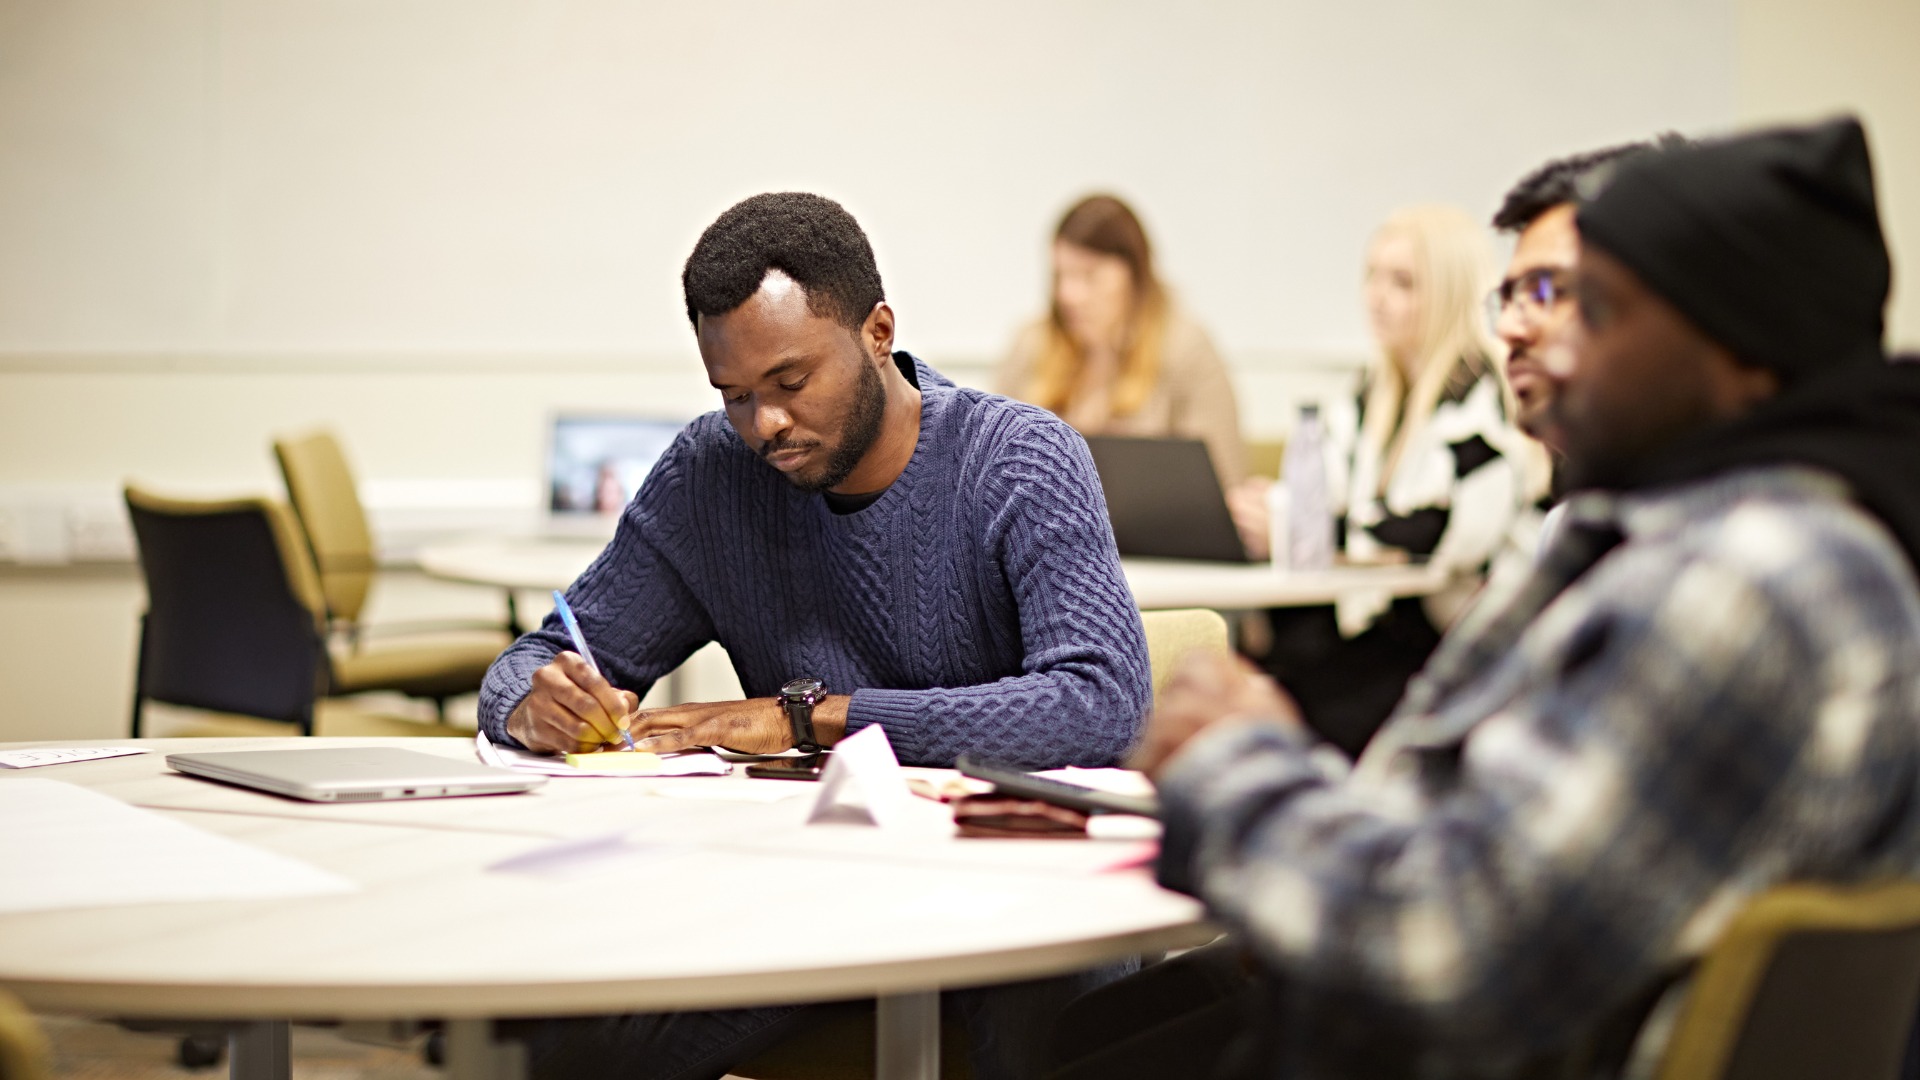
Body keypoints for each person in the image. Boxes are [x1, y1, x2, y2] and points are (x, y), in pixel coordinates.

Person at [1093, 116, 1920, 1079]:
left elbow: (1443, 947)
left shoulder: (1751, 580)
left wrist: (1237, 760)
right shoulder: (1739, 528)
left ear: (1744, 354)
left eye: (1598, 312)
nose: (1552, 347)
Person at [481, 191, 1151, 1079]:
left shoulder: (1019, 457)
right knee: (565, 1034)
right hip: (806, 880)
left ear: (879, 333)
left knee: (1045, 1013)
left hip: (1014, 885)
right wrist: (534, 708)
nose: (765, 426)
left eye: (790, 384)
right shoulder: (709, 477)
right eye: (734, 396)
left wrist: (813, 720)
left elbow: (1100, 701)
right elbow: (529, 662)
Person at [1227, 205, 1535, 756]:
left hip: (1455, 650)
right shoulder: (1372, 394)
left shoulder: (1483, 395)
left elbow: (1437, 533)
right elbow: (1336, 498)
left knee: (1283, 713)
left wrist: (1303, 524)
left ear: (1448, 293)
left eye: (1404, 283)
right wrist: (1278, 508)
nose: (1377, 296)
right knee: (1250, 688)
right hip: (1379, 633)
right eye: (1372, 276)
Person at [996, 193, 1248, 488]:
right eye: (1061, 276)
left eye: (1089, 276)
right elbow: (993, 468)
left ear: (1134, 275)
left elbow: (1222, 484)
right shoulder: (1031, 344)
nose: (1067, 295)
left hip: (1154, 533)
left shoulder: (1186, 349)